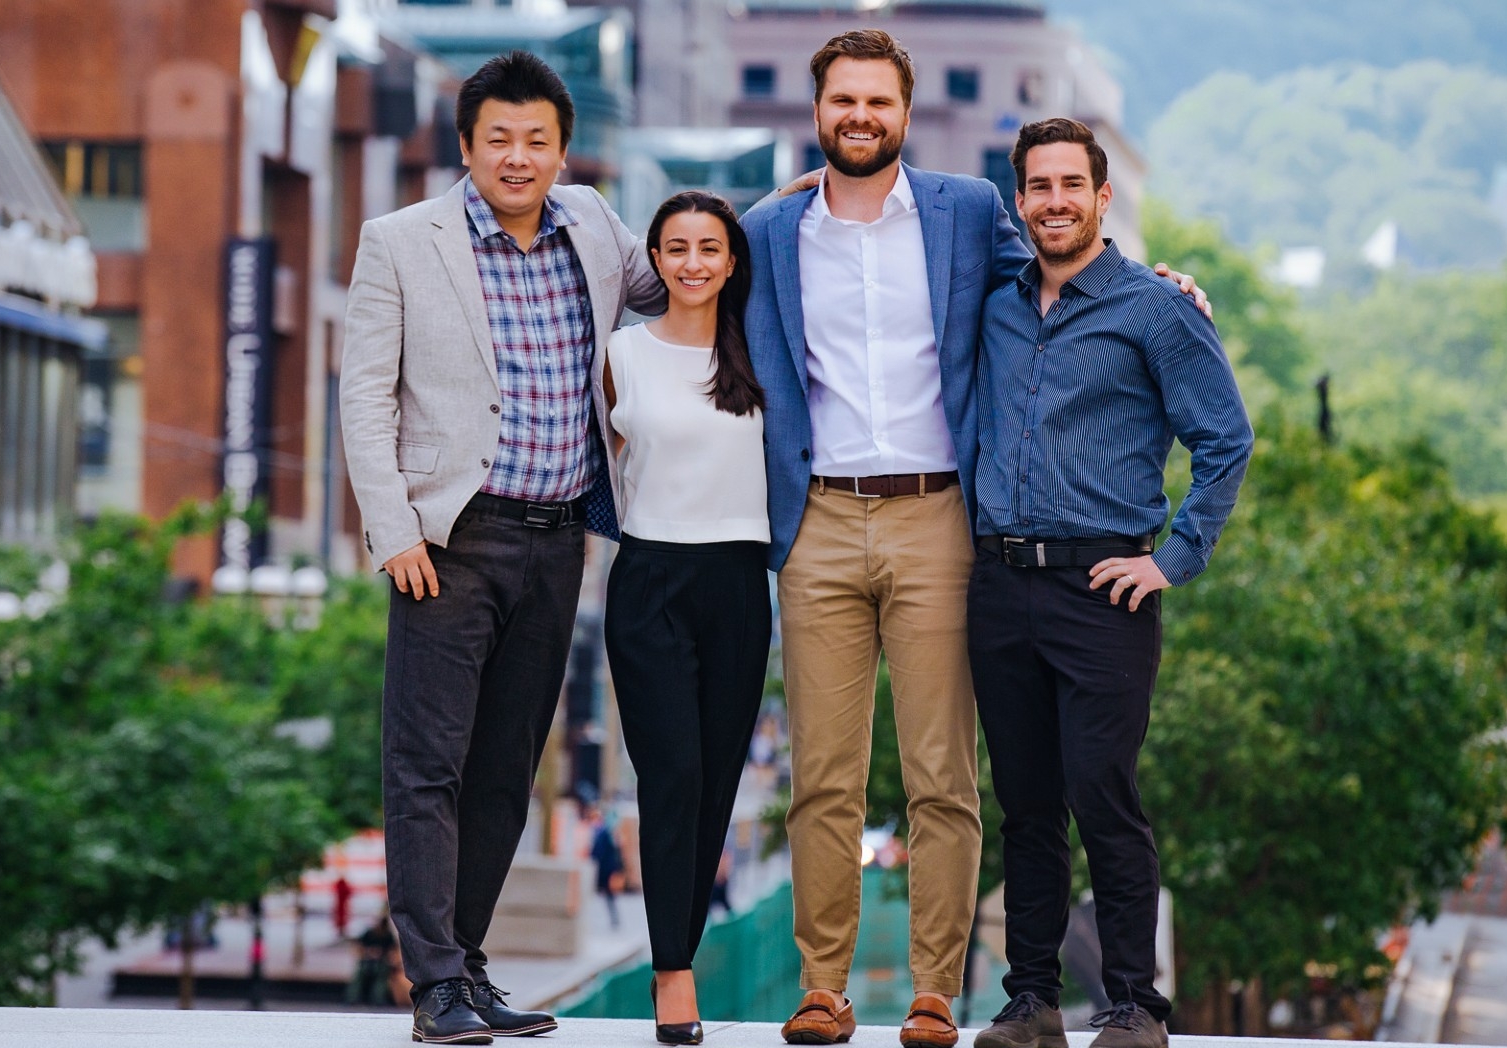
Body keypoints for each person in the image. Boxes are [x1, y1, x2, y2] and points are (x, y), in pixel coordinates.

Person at [740, 31, 1208, 1048]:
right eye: (841, 101)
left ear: (904, 114)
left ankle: (934, 993)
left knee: (942, 773)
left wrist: (1166, 291)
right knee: (824, 771)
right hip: (816, 517)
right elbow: (677, 283)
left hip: (937, 520)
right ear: (814, 112)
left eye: (877, 101)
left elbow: (1072, 272)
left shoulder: (965, 214)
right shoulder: (769, 231)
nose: (858, 116)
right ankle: (823, 989)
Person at [339, 48, 665, 1046]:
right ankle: (431, 981)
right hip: (450, 540)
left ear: (564, 150)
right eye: (498, 140)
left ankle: (466, 964)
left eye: (536, 140)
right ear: (467, 146)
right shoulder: (400, 240)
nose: (517, 158)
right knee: (426, 766)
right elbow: (362, 393)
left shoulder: (597, 230)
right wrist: (392, 528)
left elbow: (691, 275)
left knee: (505, 768)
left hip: (560, 536)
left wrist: (789, 212)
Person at [968, 118, 1253, 1048]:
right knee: (1027, 806)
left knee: (1104, 794)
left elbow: (1225, 439)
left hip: (1105, 589)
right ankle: (1031, 1001)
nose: (1053, 201)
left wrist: (1172, 558)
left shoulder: (1155, 308)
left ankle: (1135, 1004)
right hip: (1001, 582)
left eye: (1069, 186)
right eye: (1037, 187)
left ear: (1102, 197)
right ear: (1020, 203)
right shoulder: (997, 302)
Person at [602, 190, 772, 1047]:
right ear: (655, 260)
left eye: (711, 247)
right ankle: (674, 971)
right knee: (668, 776)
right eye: (677, 248)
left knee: (716, 782)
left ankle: (681, 944)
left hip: (740, 581)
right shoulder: (622, 354)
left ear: (733, 260)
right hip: (650, 580)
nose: (694, 262)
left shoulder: (762, 350)